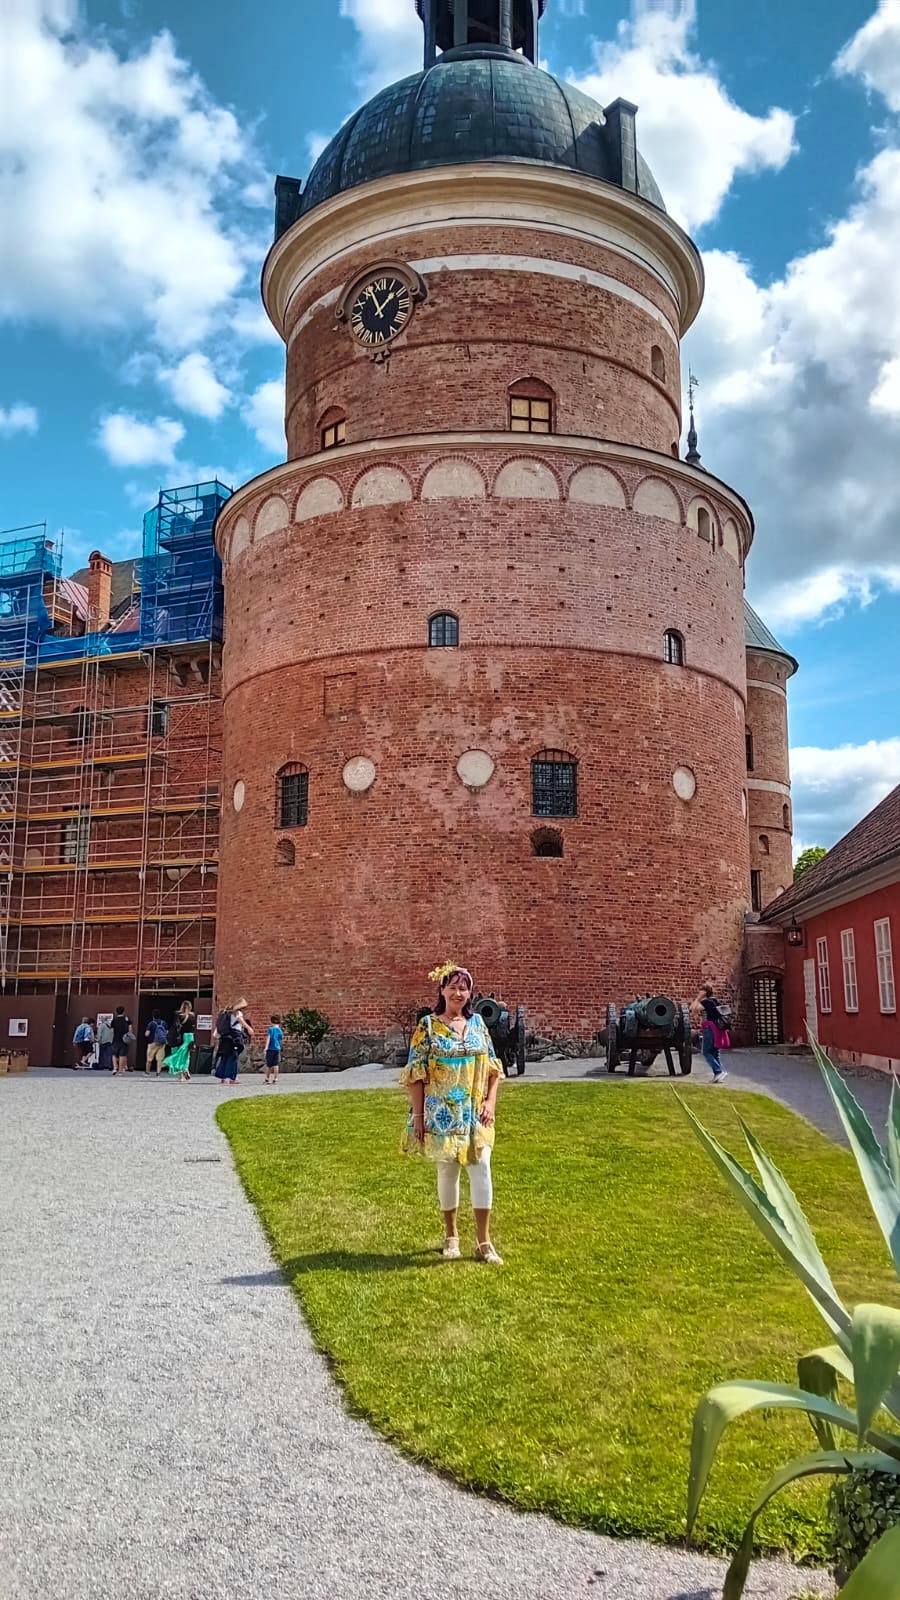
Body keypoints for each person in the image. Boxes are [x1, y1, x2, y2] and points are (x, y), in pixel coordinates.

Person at [401, 961, 503, 1265]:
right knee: (448, 1171)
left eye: (464, 987)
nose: (459, 992)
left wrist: (490, 1103)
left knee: (481, 1168)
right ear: (442, 990)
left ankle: (484, 1242)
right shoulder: (428, 1026)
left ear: (470, 992)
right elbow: (416, 1074)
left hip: (474, 1112)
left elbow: (494, 1068)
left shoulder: (478, 1025)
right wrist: (418, 1118)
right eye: (453, 986)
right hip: (441, 1113)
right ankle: (451, 1236)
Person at [693, 983, 729, 1082]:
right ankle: (718, 1075)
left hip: (710, 1028)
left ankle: (718, 1072)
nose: (699, 992)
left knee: (707, 1051)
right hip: (719, 1029)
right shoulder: (716, 1001)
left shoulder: (706, 1002)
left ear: (705, 992)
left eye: (701, 990)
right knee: (715, 1052)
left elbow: (693, 1008)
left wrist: (698, 998)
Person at [213, 997, 249, 1086]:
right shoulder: (237, 1013)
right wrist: (249, 1028)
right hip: (234, 1038)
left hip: (225, 1038)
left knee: (224, 1058)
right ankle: (233, 1078)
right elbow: (241, 1021)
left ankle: (223, 1078)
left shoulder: (225, 1012)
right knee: (233, 1058)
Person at [166, 999, 196, 1082]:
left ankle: (180, 1076)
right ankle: (185, 1069)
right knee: (186, 1056)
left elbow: (173, 1025)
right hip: (188, 1036)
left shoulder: (177, 1014)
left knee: (177, 1055)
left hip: (178, 1037)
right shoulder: (192, 1016)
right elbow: (193, 1029)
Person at [144, 1010, 169, 1076]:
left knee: (149, 1059)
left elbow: (147, 1034)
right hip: (162, 1043)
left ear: (153, 1016)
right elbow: (167, 1032)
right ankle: (158, 1073)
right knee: (159, 1059)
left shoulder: (151, 1023)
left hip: (152, 1043)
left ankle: (147, 1072)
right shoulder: (164, 1023)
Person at [110, 1006, 133, 1075]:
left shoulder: (114, 1020)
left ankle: (114, 1068)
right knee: (122, 1055)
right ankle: (120, 1070)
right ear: (123, 1011)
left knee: (114, 1054)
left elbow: (112, 1030)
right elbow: (130, 1029)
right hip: (124, 1039)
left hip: (115, 1039)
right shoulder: (126, 1019)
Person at [264, 1015, 284, 1085]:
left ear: (271, 1021)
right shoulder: (280, 1030)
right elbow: (280, 1039)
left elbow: (268, 1038)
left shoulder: (271, 1029)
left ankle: (267, 1078)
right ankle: (275, 1079)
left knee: (269, 1064)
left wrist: (266, 1047)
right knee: (276, 1064)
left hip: (270, 1048)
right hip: (277, 1048)